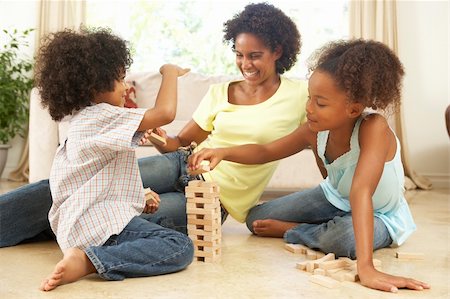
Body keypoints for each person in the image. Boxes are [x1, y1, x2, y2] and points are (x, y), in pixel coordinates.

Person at [0, 2, 307, 245]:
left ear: (278, 51)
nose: (245, 64)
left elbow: (287, 143)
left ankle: (51, 230)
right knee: (76, 183)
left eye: (255, 55)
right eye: (239, 55)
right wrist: (162, 141)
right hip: (180, 164)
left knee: (119, 219)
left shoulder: (301, 95)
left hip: (213, 200)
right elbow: (182, 144)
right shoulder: (219, 93)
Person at [188, 39, 430, 293]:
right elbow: (266, 150)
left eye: (321, 103)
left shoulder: (373, 128)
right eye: (309, 98)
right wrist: (222, 152)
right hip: (335, 198)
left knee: (345, 239)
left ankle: (300, 230)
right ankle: (322, 227)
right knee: (256, 220)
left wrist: (366, 268)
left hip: (380, 213)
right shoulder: (313, 129)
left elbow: (361, 191)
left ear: (353, 109)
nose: (309, 108)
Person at [32, 28, 193, 291]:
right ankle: (90, 262)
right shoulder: (102, 116)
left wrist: (138, 198)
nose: (125, 86)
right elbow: (165, 112)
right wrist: (169, 71)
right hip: (98, 232)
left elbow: (93, 183)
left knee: (158, 224)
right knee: (180, 246)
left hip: (83, 226)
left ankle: (88, 255)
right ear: (94, 85)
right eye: (120, 79)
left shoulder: (85, 121)